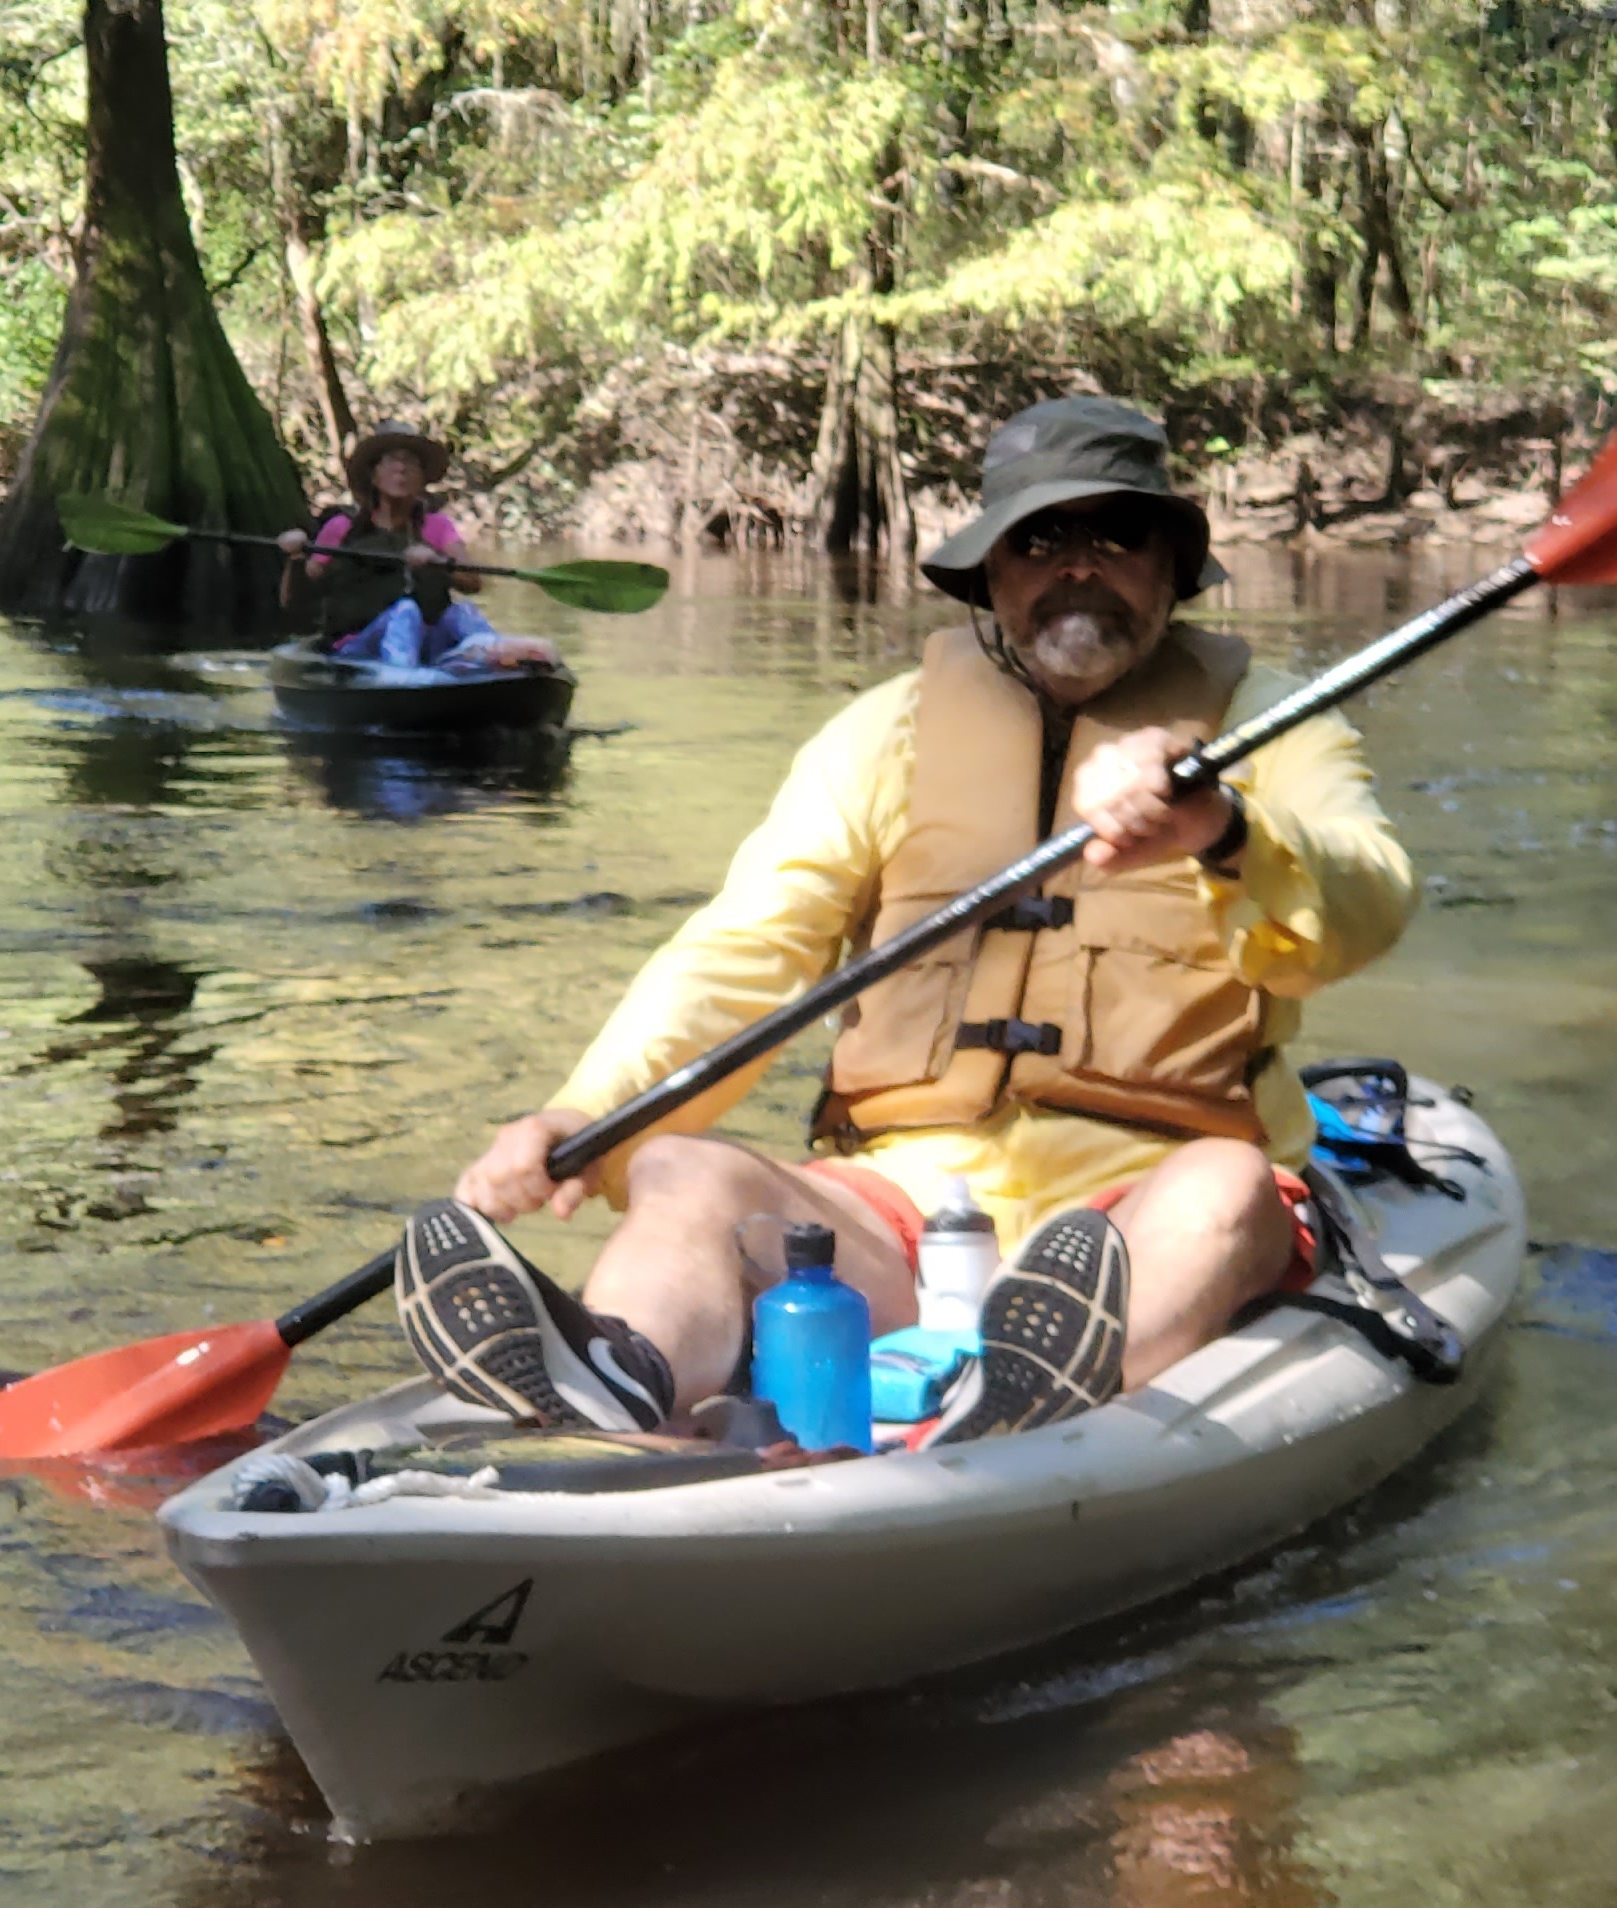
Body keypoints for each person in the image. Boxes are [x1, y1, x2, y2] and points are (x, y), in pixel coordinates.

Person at [391, 396, 1418, 1445]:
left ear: (1170, 566)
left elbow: (1370, 903)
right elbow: (747, 947)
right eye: (1039, 540)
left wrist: (1224, 827)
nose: (1076, 567)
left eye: (1114, 536)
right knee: (678, 1168)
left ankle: (1047, 1395)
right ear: (991, 574)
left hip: (1149, 1200)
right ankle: (620, 1387)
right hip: (901, 1214)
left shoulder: (1272, 726)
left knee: (1230, 1186)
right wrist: (588, 1109)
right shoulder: (882, 735)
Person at [275, 424, 557, 671]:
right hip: (357, 648)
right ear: (374, 475)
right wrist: (296, 557)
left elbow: (473, 582)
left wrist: (437, 562)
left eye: (411, 462)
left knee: (462, 612)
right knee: (406, 612)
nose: (401, 468)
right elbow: (293, 600)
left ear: (422, 478)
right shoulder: (341, 528)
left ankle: (499, 659)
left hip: (426, 643)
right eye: (391, 461)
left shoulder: (437, 527)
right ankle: (402, 681)